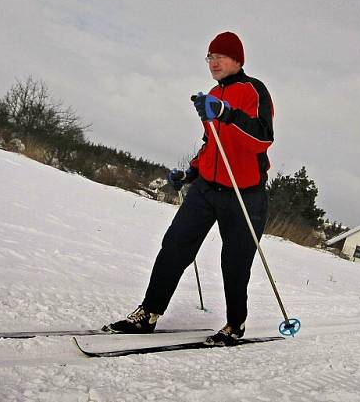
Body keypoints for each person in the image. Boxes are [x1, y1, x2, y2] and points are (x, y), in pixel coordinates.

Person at [104, 31, 274, 346]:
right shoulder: (212, 92)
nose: (213, 63)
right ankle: (148, 314)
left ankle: (235, 324)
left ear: (238, 60)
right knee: (175, 246)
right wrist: (191, 172)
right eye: (209, 57)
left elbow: (262, 138)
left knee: (234, 264)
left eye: (220, 56)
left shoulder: (255, 91)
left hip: (245, 194)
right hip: (207, 189)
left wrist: (227, 114)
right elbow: (212, 143)